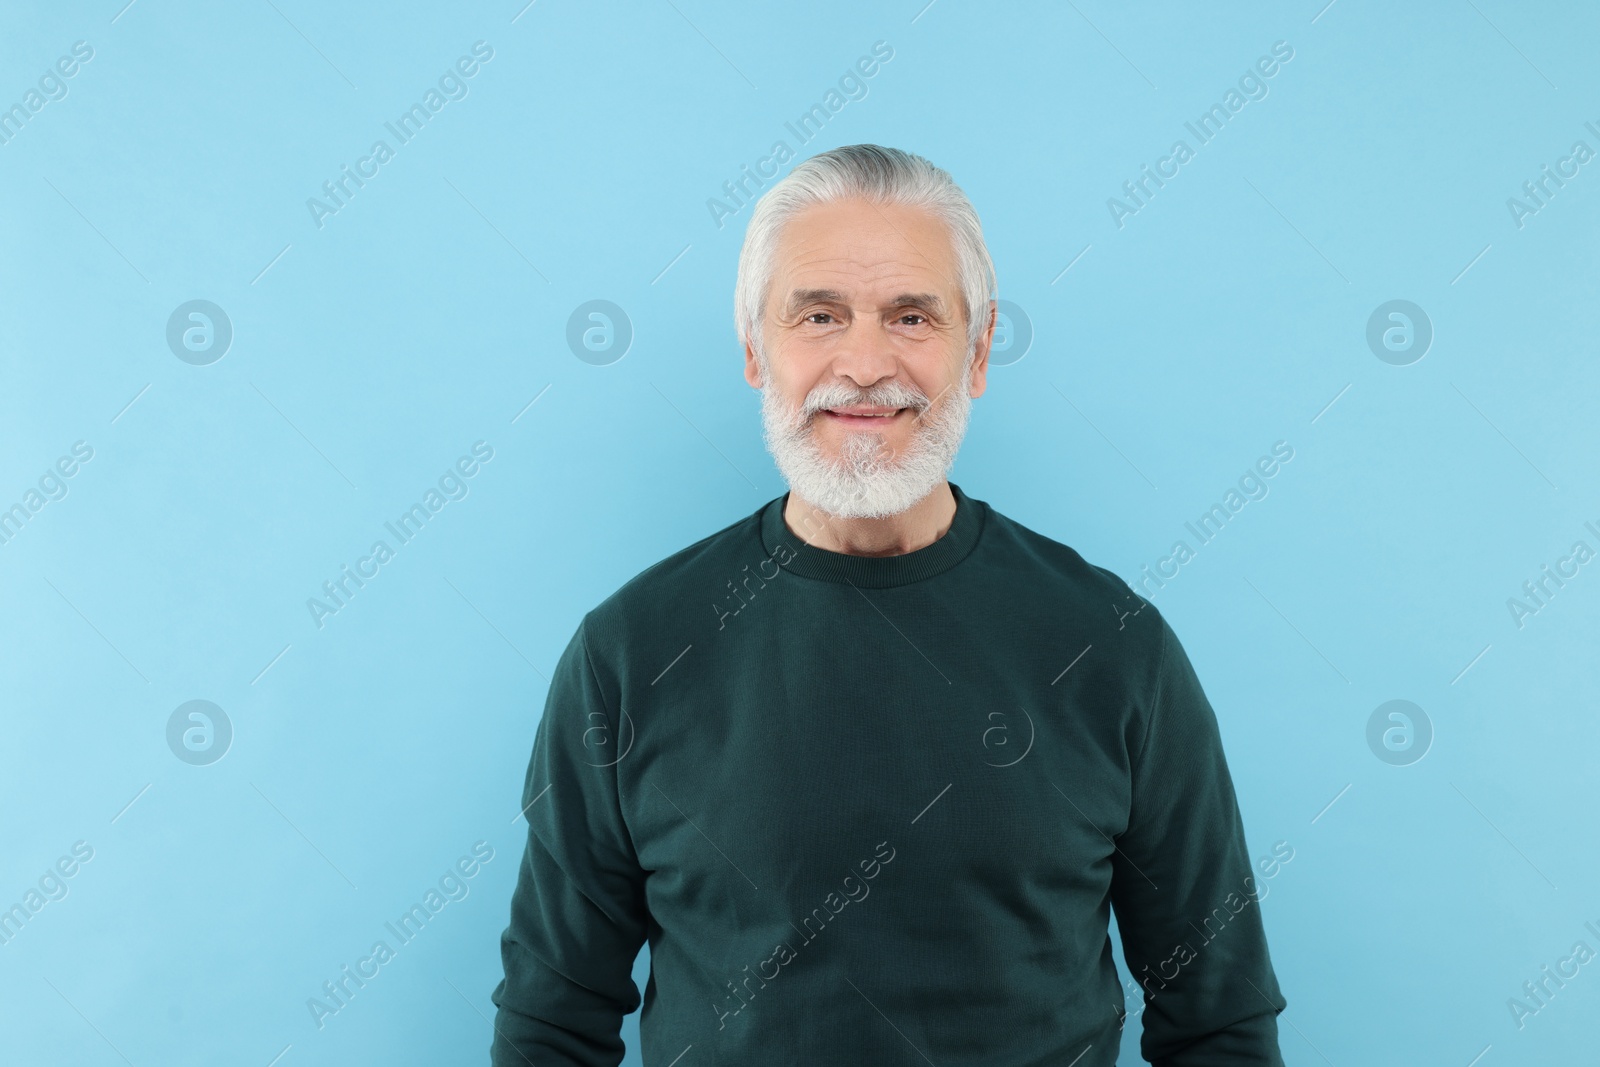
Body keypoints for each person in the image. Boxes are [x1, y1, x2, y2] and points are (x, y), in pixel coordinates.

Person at [489, 143, 1286, 1065]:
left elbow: (1220, 1024)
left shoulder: (1113, 648)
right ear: (755, 348)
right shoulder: (628, 655)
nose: (865, 363)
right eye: (819, 314)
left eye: (912, 316)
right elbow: (552, 1022)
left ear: (978, 352)